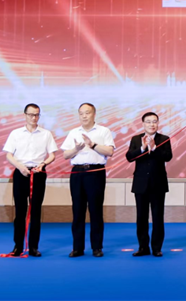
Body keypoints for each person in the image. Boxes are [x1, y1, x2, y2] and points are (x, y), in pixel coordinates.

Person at [3, 103, 57, 257]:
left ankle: (33, 247)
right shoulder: (16, 133)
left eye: (37, 115)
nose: (34, 117)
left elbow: (52, 154)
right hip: (21, 173)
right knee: (20, 211)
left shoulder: (46, 134)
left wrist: (43, 164)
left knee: (35, 211)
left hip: (38, 173)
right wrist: (20, 167)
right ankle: (18, 246)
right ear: (25, 115)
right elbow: (8, 155)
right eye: (31, 114)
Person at [62, 103, 115, 258]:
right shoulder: (73, 132)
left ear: (94, 114)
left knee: (96, 210)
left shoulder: (103, 131)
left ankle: (97, 247)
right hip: (77, 173)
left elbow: (110, 151)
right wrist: (76, 149)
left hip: (95, 172)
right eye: (81, 113)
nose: (84, 116)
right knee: (77, 211)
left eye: (87, 113)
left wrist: (93, 145)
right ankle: (77, 248)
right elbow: (65, 155)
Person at [126, 112, 173, 257]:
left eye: (154, 121)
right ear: (143, 124)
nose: (151, 124)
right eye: (148, 122)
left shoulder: (164, 139)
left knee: (158, 217)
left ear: (158, 123)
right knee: (141, 217)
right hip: (140, 184)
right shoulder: (136, 139)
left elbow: (168, 157)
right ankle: (143, 247)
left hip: (158, 184)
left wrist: (153, 148)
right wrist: (142, 148)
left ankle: (157, 248)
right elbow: (129, 157)